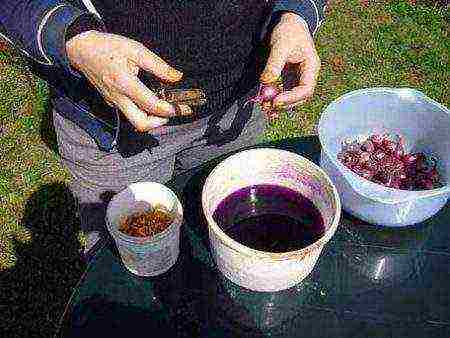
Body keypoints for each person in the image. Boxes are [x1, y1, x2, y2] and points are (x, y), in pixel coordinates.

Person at [0, 0, 326, 257]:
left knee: (225, 246)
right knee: (130, 266)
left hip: (235, 113)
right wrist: (73, 40)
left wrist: (296, 14)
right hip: (113, 129)